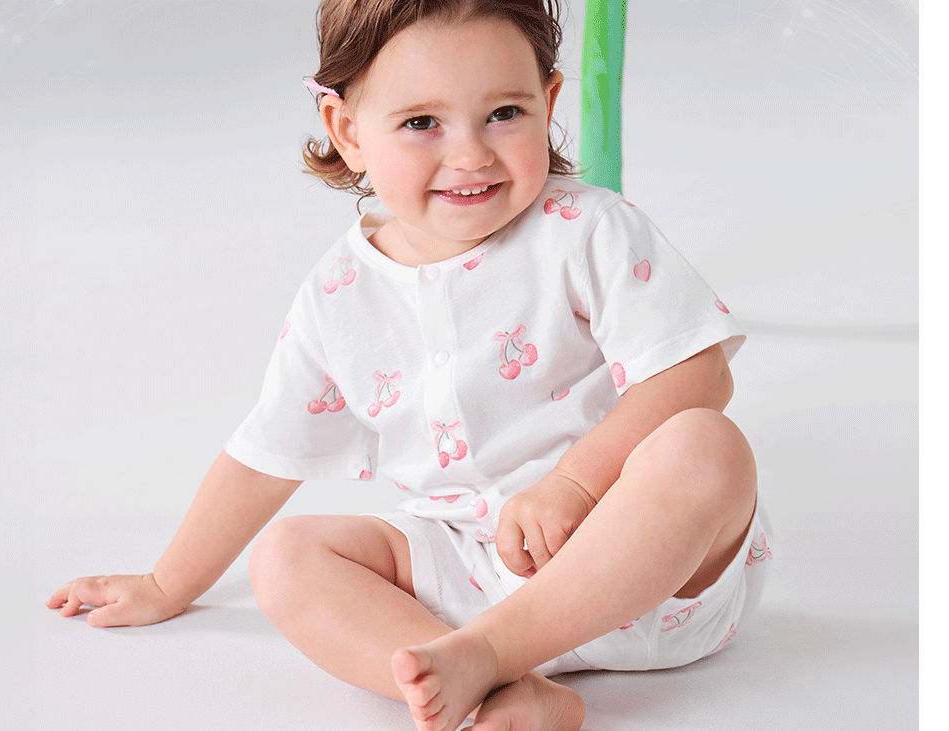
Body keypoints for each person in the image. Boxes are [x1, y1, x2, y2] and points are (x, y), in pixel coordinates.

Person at [48, 2, 773, 730]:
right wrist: (166, 583)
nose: (471, 155)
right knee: (286, 556)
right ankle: (494, 682)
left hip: (648, 576)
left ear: (548, 101)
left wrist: (576, 483)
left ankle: (491, 654)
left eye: (505, 114)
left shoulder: (587, 230)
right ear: (347, 131)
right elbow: (263, 457)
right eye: (423, 122)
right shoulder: (339, 295)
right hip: (464, 578)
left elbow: (699, 374)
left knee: (706, 446)